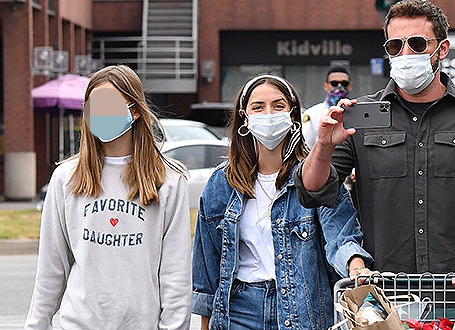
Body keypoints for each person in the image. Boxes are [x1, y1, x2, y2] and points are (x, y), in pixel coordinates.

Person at [293, 0, 455, 277]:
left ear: (442, 49)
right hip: (382, 294)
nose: (405, 54)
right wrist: (323, 144)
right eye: (395, 46)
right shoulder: (357, 117)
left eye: (417, 44)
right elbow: (311, 191)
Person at [191, 74, 373, 330]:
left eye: (278, 106)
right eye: (258, 107)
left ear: (292, 116)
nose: (268, 115)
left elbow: (341, 235)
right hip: (238, 312)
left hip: (302, 310)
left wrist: (356, 267)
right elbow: (206, 267)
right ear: (245, 117)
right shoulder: (222, 182)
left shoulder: (313, 176)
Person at [25, 65, 192, 329]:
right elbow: (51, 268)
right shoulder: (66, 177)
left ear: (135, 111)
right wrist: (36, 324)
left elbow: (176, 274)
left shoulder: (169, 181)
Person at [302, 66, 353, 148]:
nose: (339, 87)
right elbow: (306, 145)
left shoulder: (357, 113)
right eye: (334, 83)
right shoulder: (312, 114)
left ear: (350, 86)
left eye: (344, 83)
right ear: (326, 86)